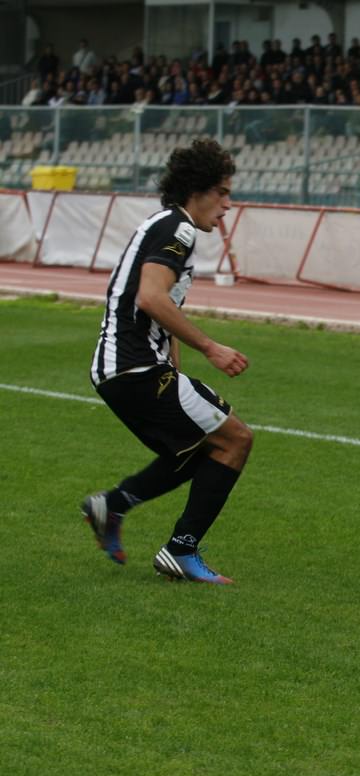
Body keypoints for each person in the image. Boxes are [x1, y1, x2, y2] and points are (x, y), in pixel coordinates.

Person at [81, 139, 252, 585]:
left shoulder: (168, 226)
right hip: (133, 365)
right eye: (222, 192)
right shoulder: (178, 229)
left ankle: (112, 505)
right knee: (235, 441)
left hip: (126, 368)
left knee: (203, 449)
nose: (228, 204)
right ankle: (180, 550)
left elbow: (162, 308)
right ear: (197, 189)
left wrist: (174, 366)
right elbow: (152, 297)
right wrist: (211, 348)